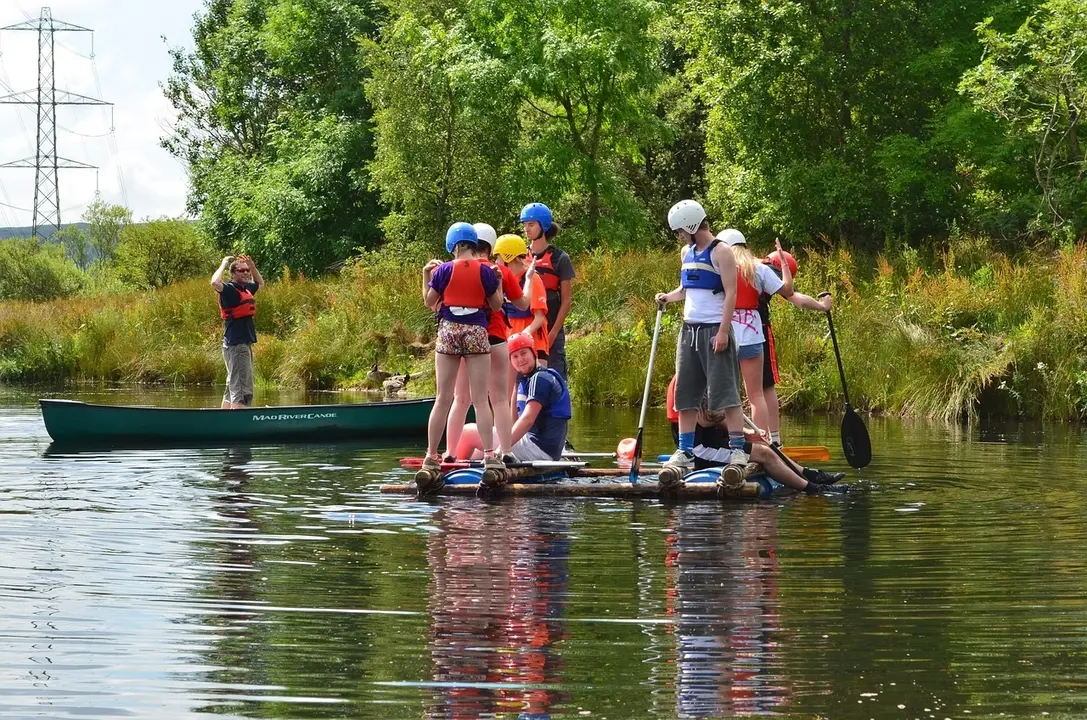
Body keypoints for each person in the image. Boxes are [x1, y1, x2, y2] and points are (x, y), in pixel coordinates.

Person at [655, 199, 748, 487]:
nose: (679, 236)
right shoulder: (687, 252)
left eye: (680, 231)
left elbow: (731, 294)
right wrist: (668, 297)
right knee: (686, 392)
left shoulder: (722, 252)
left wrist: (723, 332)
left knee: (726, 392)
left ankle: (737, 450)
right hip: (689, 331)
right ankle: (685, 451)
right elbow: (686, 289)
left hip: (714, 331)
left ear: (693, 225)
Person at [718, 230, 833, 440]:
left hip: (723, 333)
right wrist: (822, 306)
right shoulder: (762, 269)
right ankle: (770, 441)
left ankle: (731, 439)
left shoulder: (719, 268)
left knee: (727, 392)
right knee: (762, 390)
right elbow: (794, 296)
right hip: (757, 333)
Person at [442, 224, 534, 461]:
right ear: (491, 247)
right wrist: (529, 279)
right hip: (496, 339)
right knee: (499, 399)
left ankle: (451, 453)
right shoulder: (498, 271)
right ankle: (506, 451)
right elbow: (523, 304)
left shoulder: (455, 269)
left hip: (465, 343)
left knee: (461, 399)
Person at [420, 222, 506, 474]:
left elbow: (429, 301)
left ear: (453, 246)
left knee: (443, 398)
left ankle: (431, 456)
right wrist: (499, 281)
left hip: (449, 331)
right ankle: (489, 455)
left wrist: (426, 275)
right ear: (474, 244)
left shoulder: (443, 270)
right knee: (480, 400)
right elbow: (497, 305)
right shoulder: (486, 272)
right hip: (476, 333)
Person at [757, 241, 830, 445]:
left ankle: (739, 438)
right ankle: (774, 440)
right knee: (766, 387)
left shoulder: (745, 264)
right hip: (759, 331)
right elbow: (797, 299)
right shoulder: (770, 271)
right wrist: (822, 306)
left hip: (730, 330)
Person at [687, 400, 845, 493]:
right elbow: (705, 420)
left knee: (764, 446)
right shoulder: (693, 380)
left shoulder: (710, 375)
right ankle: (813, 488)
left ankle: (809, 474)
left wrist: (747, 432)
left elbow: (719, 420)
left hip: (715, 441)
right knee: (764, 453)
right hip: (701, 449)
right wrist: (728, 404)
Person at [458, 332, 571, 462]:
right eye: (515, 356)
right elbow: (514, 422)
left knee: (468, 433)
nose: (520, 360)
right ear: (510, 361)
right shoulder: (526, 380)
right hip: (538, 446)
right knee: (479, 451)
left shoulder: (540, 379)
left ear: (534, 353)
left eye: (523, 353)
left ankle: (453, 468)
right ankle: (464, 464)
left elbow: (528, 419)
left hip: (538, 448)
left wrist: (502, 449)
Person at [521, 203, 575, 380]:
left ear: (543, 226)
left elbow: (566, 301)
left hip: (551, 328)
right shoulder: (520, 257)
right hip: (526, 328)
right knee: (524, 382)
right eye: (525, 224)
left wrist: (552, 334)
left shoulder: (560, 258)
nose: (526, 229)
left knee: (555, 380)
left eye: (531, 224)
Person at [211, 254, 264, 408]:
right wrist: (223, 263)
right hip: (237, 344)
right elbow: (215, 282)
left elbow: (260, 284)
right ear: (233, 274)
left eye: (247, 270)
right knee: (242, 388)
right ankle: (240, 418)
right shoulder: (230, 289)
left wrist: (252, 267)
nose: (246, 273)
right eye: (241, 270)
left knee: (232, 385)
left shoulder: (246, 288)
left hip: (239, 343)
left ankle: (225, 417)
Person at [494, 233, 550, 365]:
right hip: (510, 341)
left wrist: (525, 334)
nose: (496, 262)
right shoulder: (504, 280)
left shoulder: (532, 278)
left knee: (536, 378)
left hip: (534, 342)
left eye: (498, 257)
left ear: (508, 258)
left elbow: (539, 317)